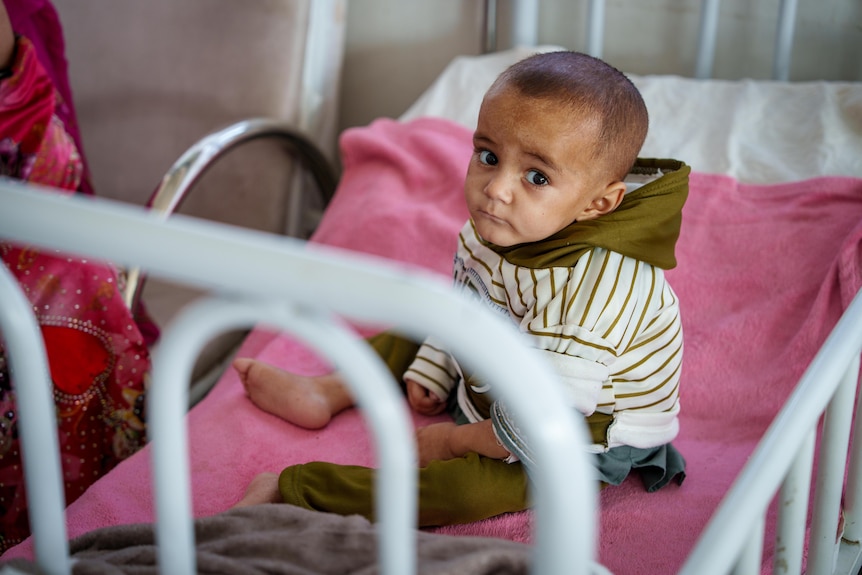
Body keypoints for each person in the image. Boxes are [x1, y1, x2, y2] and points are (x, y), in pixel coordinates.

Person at [233, 50, 688, 526]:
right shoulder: (497, 225)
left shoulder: (598, 288)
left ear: (598, 203)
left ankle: (291, 491)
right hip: (511, 367)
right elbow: (467, 306)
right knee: (419, 320)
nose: (496, 188)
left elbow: (544, 425)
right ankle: (328, 390)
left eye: (537, 176)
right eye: (488, 156)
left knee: (470, 491)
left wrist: (453, 441)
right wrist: (436, 364)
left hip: (579, 427)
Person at [0, 0, 152, 552]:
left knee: (73, 284)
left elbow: (50, 176)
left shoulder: (23, 15)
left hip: (41, 259)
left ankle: (52, 542)